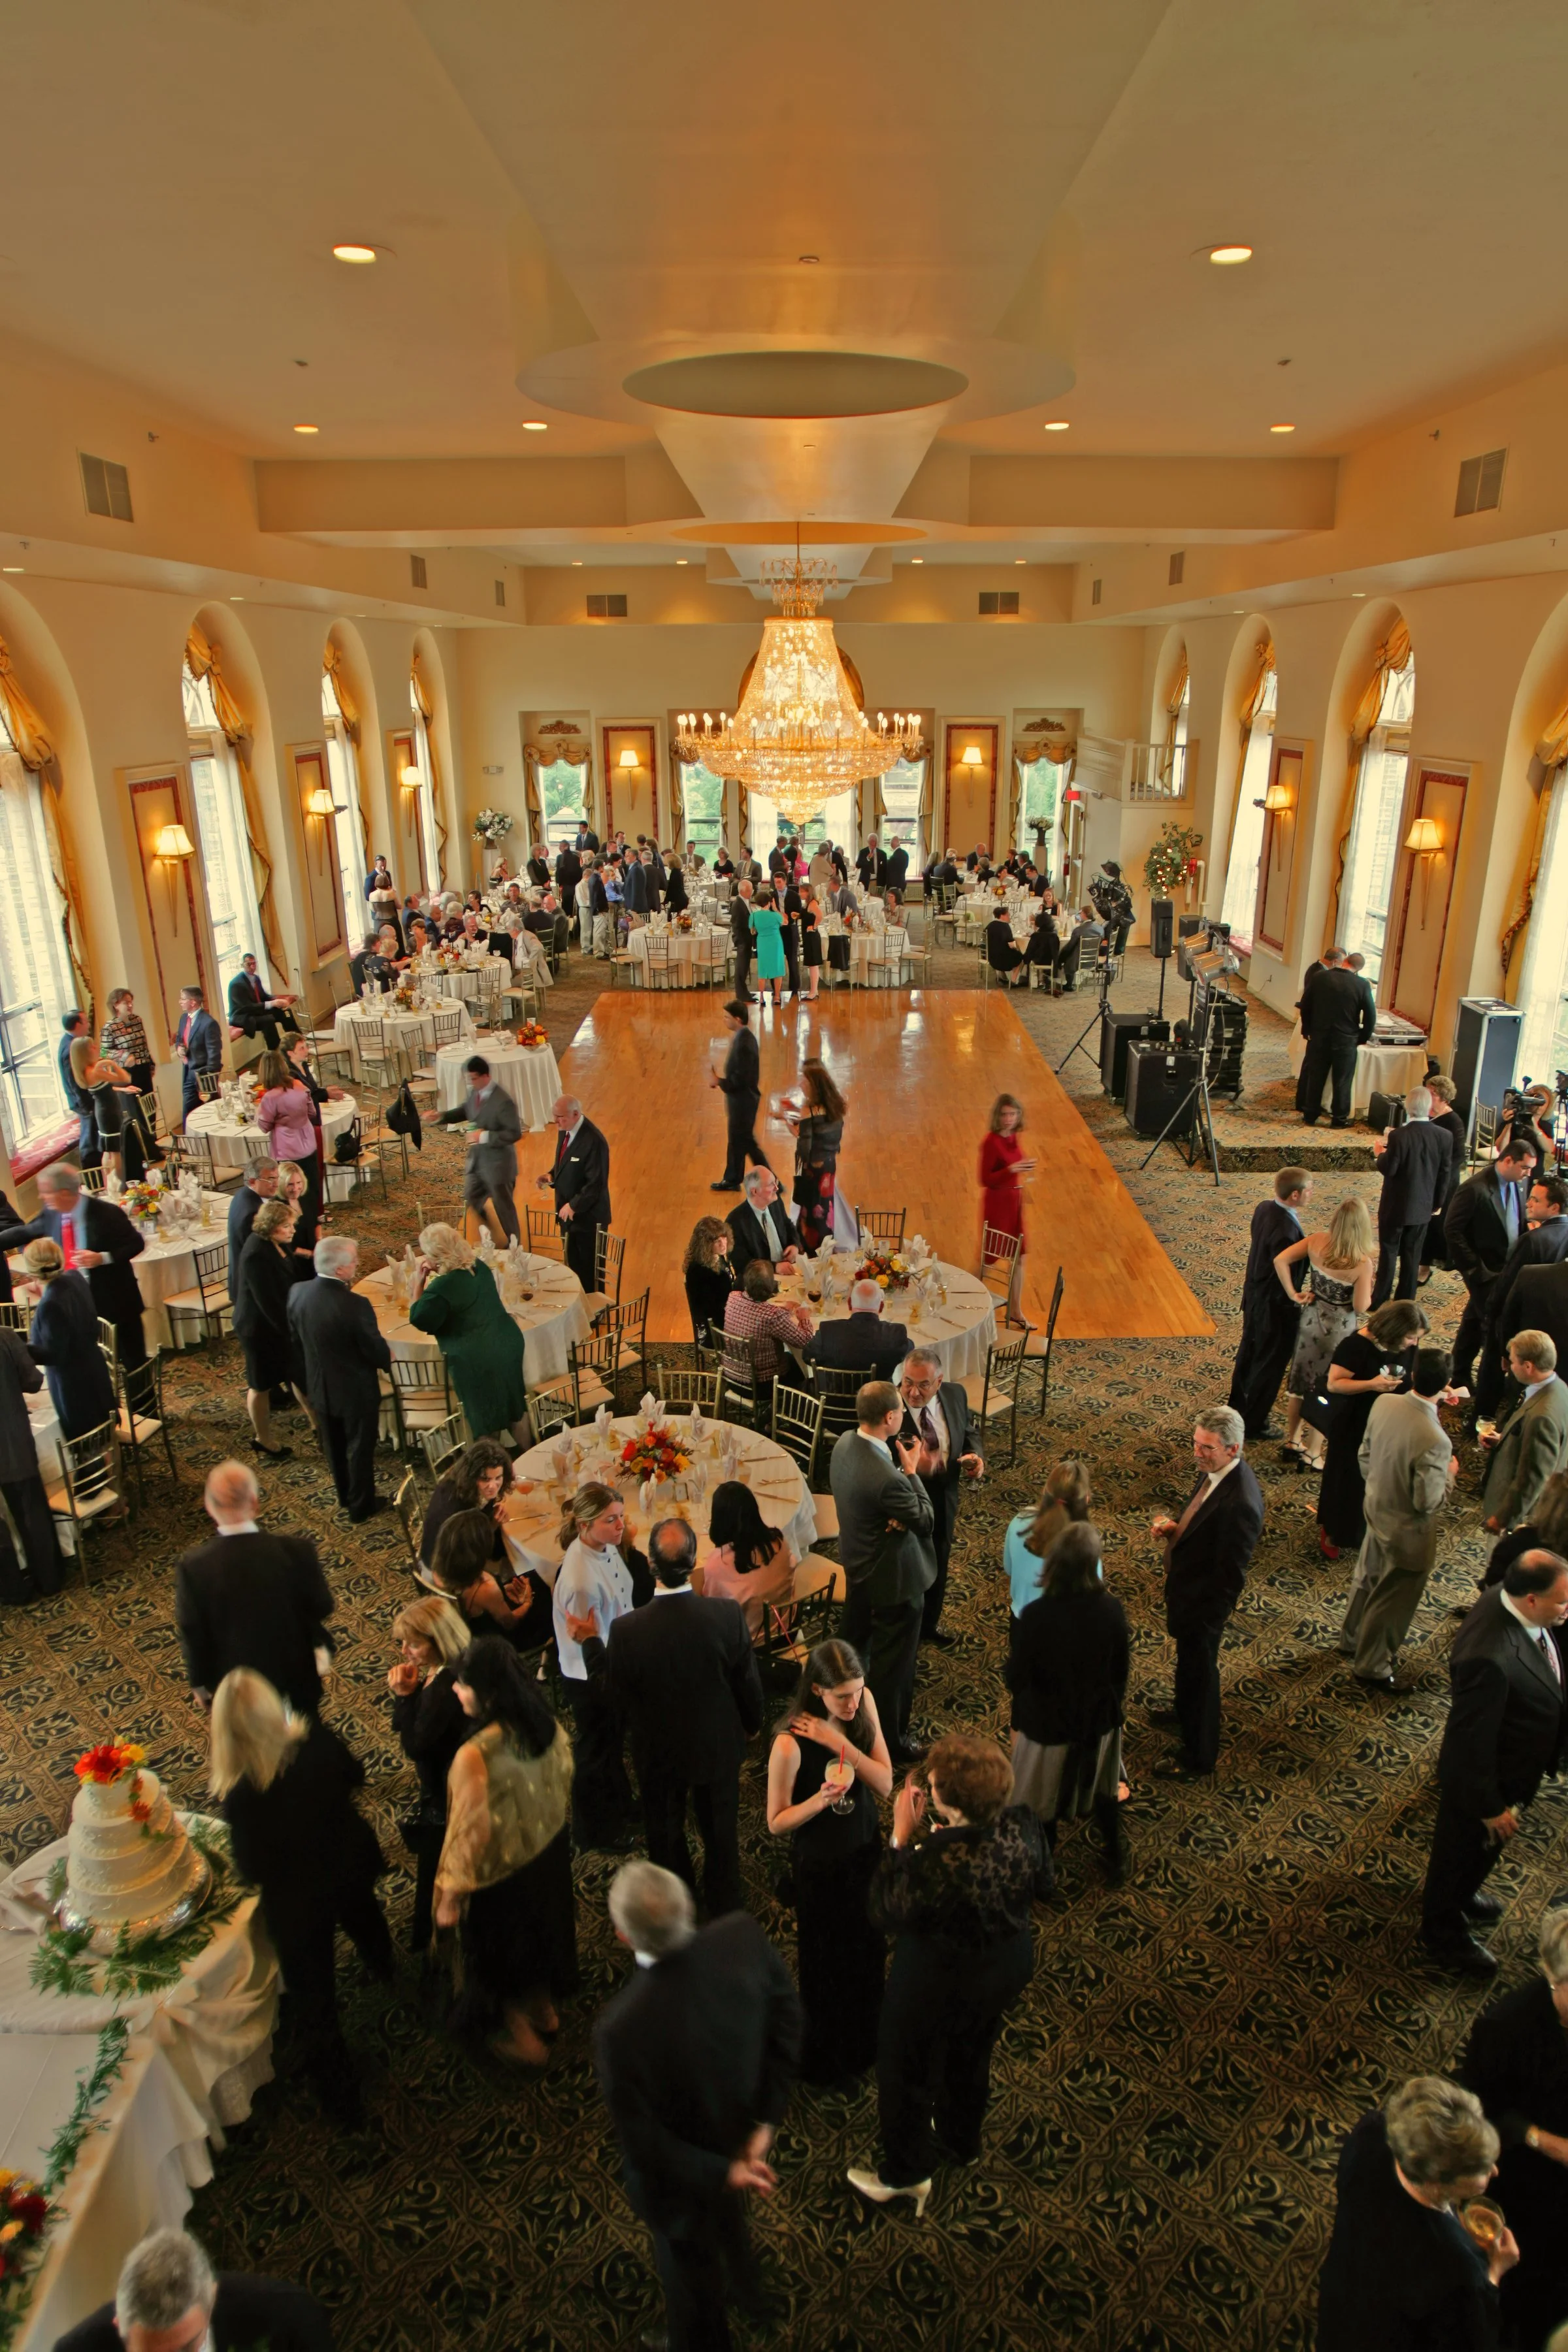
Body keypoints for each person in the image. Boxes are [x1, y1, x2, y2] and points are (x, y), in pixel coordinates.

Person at [595, 1861, 802, 2352]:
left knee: (688, 2277)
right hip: (741, 2131)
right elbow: (788, 2018)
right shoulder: (742, 1935)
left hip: (683, 2184)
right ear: (686, 1904)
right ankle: (750, 2292)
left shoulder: (619, 2030)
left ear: (624, 1937)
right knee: (731, 2223)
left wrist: (722, 2172)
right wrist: (766, 2121)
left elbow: (643, 2141)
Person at [849, 1735, 1044, 2213]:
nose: (928, 1787)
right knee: (973, 2050)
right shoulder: (1023, 1824)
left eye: (934, 1786)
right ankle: (961, 2139)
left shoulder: (937, 1862)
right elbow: (1045, 1881)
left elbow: (884, 1909)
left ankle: (906, 2173)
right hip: (1007, 1965)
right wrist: (947, 1835)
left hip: (942, 1980)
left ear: (952, 1805)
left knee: (905, 2069)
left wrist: (901, 1838)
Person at [211, 1667, 391, 2127]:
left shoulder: (243, 1794)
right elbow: (356, 1774)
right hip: (347, 1867)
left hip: (298, 1907)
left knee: (317, 2004)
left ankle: (342, 2102)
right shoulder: (315, 1745)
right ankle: (387, 1967)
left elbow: (252, 1868)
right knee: (365, 1919)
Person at [581, 1518, 762, 1919]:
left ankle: (677, 1910)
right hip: (716, 1745)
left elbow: (613, 1698)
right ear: (694, 1562)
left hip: (659, 1754)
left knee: (665, 1835)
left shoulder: (626, 1631)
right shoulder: (726, 1615)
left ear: (650, 1564)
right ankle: (725, 1909)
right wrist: (753, 1723)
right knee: (721, 1835)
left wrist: (591, 1645)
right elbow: (747, 1683)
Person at [1420, 1550, 1568, 1973]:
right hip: (1487, 1786)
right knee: (1459, 1854)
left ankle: (1463, 1896)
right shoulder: (1489, 1659)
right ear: (1532, 1600)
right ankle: (1442, 1934)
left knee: (1477, 1856)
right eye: (1562, 1601)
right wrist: (1490, 1808)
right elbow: (1468, 1745)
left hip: (1513, 1767)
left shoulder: (1508, 1595)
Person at [432, 1635, 576, 2066]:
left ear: (489, 1695)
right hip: (549, 1858)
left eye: (463, 1684)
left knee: (502, 1961)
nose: (455, 1690)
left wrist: (449, 1899)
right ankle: (545, 2014)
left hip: (503, 1877)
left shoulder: (475, 1756)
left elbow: (467, 1834)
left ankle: (527, 2044)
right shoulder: (546, 1726)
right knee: (542, 1941)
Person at [765, 1638, 890, 2085]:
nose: (853, 1703)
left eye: (857, 1690)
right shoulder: (789, 1744)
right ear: (817, 1690)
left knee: (869, 1951)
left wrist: (841, 1745)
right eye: (843, 1697)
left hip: (866, 1850)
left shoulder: (864, 1703)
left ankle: (867, 2041)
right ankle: (829, 2062)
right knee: (828, 1964)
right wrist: (819, 1801)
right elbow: (777, 1822)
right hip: (822, 1867)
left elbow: (885, 1783)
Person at [1316, 2076, 1515, 2350]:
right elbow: (1473, 2341)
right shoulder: (1458, 2266)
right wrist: (1495, 2272)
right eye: (1481, 2167)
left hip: (1342, 2293)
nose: (1494, 2171)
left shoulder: (1370, 2133)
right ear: (1438, 2181)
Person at [1460, 1903, 1568, 2351]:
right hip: (1525, 2172)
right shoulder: (1506, 2028)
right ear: (1554, 1977)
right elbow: (1478, 2114)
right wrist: (1544, 2141)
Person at [1007, 1521, 1130, 1883]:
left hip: (1048, 1728)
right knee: (1103, 1790)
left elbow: (1016, 1679)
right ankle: (1116, 1856)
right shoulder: (1111, 1609)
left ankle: (1045, 1873)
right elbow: (1121, 1672)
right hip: (1098, 1723)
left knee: (1040, 1802)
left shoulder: (1037, 1616)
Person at [1148, 1405, 1264, 1779]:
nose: (1197, 1453)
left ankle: (1198, 1756)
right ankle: (1184, 1712)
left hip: (1204, 1607)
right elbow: (1202, 1521)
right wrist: (1176, 1530)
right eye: (1195, 1443)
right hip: (1189, 1593)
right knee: (1189, 1665)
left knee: (1202, 1675)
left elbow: (1230, 1575)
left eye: (1207, 1447)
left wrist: (1209, 1621)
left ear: (1233, 1449)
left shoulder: (1240, 1504)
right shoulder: (1216, 1470)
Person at [830, 1379, 938, 1765]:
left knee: (853, 1646)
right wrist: (910, 1472)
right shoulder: (889, 1478)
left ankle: (841, 1712)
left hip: (857, 1562)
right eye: (901, 1412)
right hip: (894, 1581)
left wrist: (893, 1511)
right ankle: (892, 1741)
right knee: (894, 1668)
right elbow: (926, 1520)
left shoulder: (845, 1442)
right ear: (890, 1417)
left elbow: (872, 1498)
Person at [1338, 1346, 1457, 1688]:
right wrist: (1450, 1474)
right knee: (1393, 1600)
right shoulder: (1436, 1440)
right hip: (1407, 1531)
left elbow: (1365, 1455)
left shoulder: (1385, 1403)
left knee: (1366, 1577)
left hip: (1376, 1506)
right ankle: (1373, 1666)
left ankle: (1350, 1640)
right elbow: (1427, 1501)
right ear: (1446, 1384)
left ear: (1414, 1375)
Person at [175, 1459, 335, 1713]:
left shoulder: (194, 1568)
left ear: (209, 1507)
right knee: (306, 1732)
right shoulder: (298, 1551)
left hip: (237, 1690)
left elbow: (194, 1634)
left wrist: (200, 1685)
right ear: (255, 1503)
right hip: (296, 1674)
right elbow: (323, 1606)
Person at [54, 2226, 333, 2352]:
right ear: (119, 2327)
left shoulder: (291, 2320)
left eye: (187, 2348)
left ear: (211, 2300)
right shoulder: (76, 2351)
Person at [553, 1483, 642, 1849]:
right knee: (595, 1753)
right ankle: (595, 1831)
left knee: (611, 1745)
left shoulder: (605, 1547)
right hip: (590, 1676)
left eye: (621, 1516)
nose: (621, 1526)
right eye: (611, 1520)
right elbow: (589, 1639)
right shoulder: (582, 1582)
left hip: (612, 1661)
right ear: (584, 1525)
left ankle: (621, 1805)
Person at [0, 1158, 148, 1373]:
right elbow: (25, 1232)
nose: (41, 1197)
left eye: (46, 1192)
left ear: (64, 1193)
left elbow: (136, 1244)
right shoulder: (53, 1212)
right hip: (76, 1302)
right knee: (91, 1366)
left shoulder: (107, 1214)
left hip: (115, 1302)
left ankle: (142, 1396)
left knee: (134, 1364)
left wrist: (103, 1258)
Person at [385, 1592, 470, 1954]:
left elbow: (416, 1745)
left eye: (414, 1644)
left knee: (437, 1869)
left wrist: (405, 1697)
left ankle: (434, 1940)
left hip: (447, 1789)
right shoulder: (451, 1666)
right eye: (403, 1643)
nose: (405, 1651)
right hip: (451, 1774)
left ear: (439, 1642)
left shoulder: (443, 1692)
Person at [287, 1235, 393, 1522]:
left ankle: (345, 1495)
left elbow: (296, 1342)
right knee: (359, 1449)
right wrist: (387, 1357)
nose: (357, 1264)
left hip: (319, 1385)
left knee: (333, 1446)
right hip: (355, 1391)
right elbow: (374, 1350)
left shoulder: (297, 1292)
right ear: (340, 1270)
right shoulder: (355, 1305)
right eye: (354, 1261)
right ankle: (361, 1506)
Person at [1317, 1299, 1427, 1561]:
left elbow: (1411, 1374)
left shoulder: (1406, 1343)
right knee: (1350, 1480)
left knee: (1382, 1480)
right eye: (1411, 1337)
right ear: (1393, 1331)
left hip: (1391, 1421)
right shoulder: (1354, 1346)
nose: (1414, 1343)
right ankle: (1335, 1532)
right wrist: (1372, 1385)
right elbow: (1334, 1385)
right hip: (1355, 1423)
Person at [1274, 1196, 1376, 1464]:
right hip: (1338, 1332)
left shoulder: (1317, 1240)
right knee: (1327, 1389)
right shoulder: (1362, 1263)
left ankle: (1293, 1440)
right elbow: (1361, 1306)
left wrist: (1293, 1293)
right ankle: (1313, 1451)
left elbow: (1280, 1260)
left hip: (1310, 1321)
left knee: (1299, 1384)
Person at [408, 1220, 529, 1445]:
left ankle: (491, 1464)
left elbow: (419, 1317)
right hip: (507, 1343)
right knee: (515, 1407)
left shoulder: (442, 1287)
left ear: (437, 1255)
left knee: (485, 1418)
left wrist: (419, 1283)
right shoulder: (478, 1266)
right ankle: (529, 1454)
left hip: (478, 1358)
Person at [896, 1345, 983, 1650]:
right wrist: (909, 1470)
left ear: (939, 1382)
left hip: (945, 1495)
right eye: (908, 1382)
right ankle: (903, 1630)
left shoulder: (956, 1394)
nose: (913, 1392)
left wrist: (975, 1456)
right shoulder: (889, 1407)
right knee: (906, 1564)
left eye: (923, 1385)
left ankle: (929, 1624)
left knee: (939, 1559)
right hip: (904, 1501)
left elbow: (969, 1431)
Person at [1447, 1136, 1541, 1399]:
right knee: (1492, 1327)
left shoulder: (1518, 1183)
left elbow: (1517, 1221)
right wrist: (1475, 1270)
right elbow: (1452, 1230)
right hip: (1485, 1272)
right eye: (1525, 1168)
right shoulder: (1475, 1188)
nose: (1528, 1174)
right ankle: (1488, 1389)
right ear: (1508, 1160)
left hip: (1506, 1268)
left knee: (1474, 1320)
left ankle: (1459, 1372)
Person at [1228, 1168, 1313, 1439]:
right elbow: (1283, 1268)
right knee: (1269, 1364)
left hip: (1255, 1296)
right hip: (1274, 1306)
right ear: (1295, 1194)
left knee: (1249, 1354)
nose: (1312, 1194)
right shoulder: (1286, 1231)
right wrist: (1294, 1294)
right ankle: (1254, 1423)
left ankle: (1237, 1408)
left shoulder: (1265, 1207)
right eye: (1310, 1189)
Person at [1475, 1173, 1568, 1422]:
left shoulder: (1532, 1240)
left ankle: (1483, 1418)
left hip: (1521, 1321)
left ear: (1554, 1207)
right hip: (1554, 1325)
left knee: (1493, 1372)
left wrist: (1491, 1318)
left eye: (1536, 1200)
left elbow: (1507, 1286)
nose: (1528, 1203)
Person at [232, 1196, 309, 1458]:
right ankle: (263, 1438)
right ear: (271, 1227)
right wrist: (294, 1332)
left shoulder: (278, 1243)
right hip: (258, 1330)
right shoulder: (256, 1254)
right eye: (287, 1226)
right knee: (260, 1384)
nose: (293, 1230)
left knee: (296, 1372)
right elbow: (268, 1303)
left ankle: (317, 1424)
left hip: (277, 1323)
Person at [20, 1237, 114, 1441]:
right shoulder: (75, 1277)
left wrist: (18, 1348)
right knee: (103, 1425)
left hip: (73, 1382)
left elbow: (53, 1354)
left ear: (32, 1271)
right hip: (94, 1365)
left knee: (86, 1437)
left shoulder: (50, 1305)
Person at [1480, 1330, 1568, 1533]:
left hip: (1520, 1515)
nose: (1509, 1367)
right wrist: (1504, 1439)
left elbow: (1533, 1478)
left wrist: (1503, 1519)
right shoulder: (1559, 1387)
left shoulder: (1542, 1417)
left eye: (1512, 1362)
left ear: (1528, 1366)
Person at [1373, 1087, 1454, 1304]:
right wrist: (1437, 1203)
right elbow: (1445, 1173)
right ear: (1429, 1107)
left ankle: (1380, 1298)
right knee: (1413, 1254)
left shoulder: (1398, 1135)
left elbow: (1389, 1168)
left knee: (1389, 1252)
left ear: (1408, 1107)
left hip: (1394, 1206)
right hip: (1423, 1205)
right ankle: (1405, 1300)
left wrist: (1380, 1154)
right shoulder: (1444, 1136)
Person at [0, 1320, 62, 1601]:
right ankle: (48, 1579)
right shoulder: (4, 1337)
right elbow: (34, 1382)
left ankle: (12, 1590)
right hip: (11, 1442)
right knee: (31, 1512)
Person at [697, 1478, 797, 1635]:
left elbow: (714, 1610)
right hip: (787, 1625)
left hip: (751, 1642)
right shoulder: (779, 1542)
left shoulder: (719, 1563)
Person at [537, 1092, 611, 1292]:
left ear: (576, 1114)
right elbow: (565, 1162)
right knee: (573, 1269)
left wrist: (573, 1206)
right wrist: (551, 1175)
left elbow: (596, 1184)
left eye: (560, 1117)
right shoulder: (565, 1129)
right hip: (568, 1219)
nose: (555, 1121)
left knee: (591, 1274)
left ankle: (595, 1308)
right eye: (554, 1116)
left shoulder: (594, 1141)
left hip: (588, 1222)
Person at [1297, 946, 1377, 1128]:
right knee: (1342, 1080)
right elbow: (1370, 1016)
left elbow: (1305, 1005)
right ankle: (1339, 1119)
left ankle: (1310, 1115)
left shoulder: (1320, 977)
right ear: (1358, 969)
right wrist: (1362, 1037)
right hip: (1346, 1039)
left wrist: (1307, 1030)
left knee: (1316, 1076)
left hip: (1319, 1035)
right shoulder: (1362, 985)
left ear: (1345, 961)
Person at [1004, 1460, 1092, 1618]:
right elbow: (1093, 1593)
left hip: (1023, 1620)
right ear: (1086, 1500)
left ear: (1045, 1491)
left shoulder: (1019, 1522)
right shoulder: (1086, 1543)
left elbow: (1008, 1568)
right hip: (1067, 1627)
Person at [458, 1053, 523, 1245]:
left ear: (486, 1076)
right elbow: (466, 1109)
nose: (471, 1083)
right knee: (471, 1197)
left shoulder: (504, 1101)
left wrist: (484, 1136)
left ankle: (515, 1245)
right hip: (478, 1162)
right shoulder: (475, 1093)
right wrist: (442, 1116)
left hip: (499, 1165)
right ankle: (490, 1229)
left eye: (474, 1078)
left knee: (504, 1208)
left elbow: (514, 1133)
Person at [724, 1257, 813, 1387]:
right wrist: (805, 1318)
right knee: (800, 1367)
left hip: (732, 1376)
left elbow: (755, 1311)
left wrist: (781, 1308)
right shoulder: (773, 1316)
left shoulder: (733, 1297)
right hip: (763, 1384)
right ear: (771, 1286)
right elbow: (806, 1342)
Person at [785, 1058, 843, 1252]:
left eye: (804, 1079)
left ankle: (810, 1252)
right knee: (825, 1209)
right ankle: (826, 1248)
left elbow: (804, 1148)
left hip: (812, 1173)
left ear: (814, 1084)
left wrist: (789, 1123)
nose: (800, 1083)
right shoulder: (834, 1105)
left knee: (809, 1213)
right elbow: (819, 1132)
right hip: (828, 1167)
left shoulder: (808, 1111)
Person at [711, 998, 766, 1193]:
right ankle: (733, 1178)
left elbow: (739, 1081)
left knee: (745, 1142)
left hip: (744, 1102)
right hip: (741, 1101)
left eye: (727, 1017)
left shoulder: (744, 1044)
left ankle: (769, 1180)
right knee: (739, 1142)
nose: (724, 1020)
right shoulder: (743, 1038)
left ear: (738, 1019)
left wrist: (719, 1081)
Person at [806, 1276, 909, 1380]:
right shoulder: (895, 1334)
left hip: (834, 1389)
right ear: (881, 1306)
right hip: (879, 1390)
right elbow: (909, 1351)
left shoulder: (827, 1331)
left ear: (850, 1304)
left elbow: (807, 1356)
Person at [979, 1094, 1032, 1284]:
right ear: (997, 1116)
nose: (1009, 1119)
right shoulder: (991, 1142)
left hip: (1014, 1203)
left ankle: (1015, 1303)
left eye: (1013, 1114)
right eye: (1004, 1114)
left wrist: (1023, 1165)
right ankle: (974, 1291)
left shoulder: (1013, 1136)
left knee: (1019, 1256)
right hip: (999, 1205)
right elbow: (984, 1179)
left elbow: (1013, 1159)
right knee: (990, 1257)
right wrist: (1010, 1169)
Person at [1420, 1072, 1468, 1276]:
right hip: (1429, 1177)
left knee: (1435, 1224)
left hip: (1444, 1181)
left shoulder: (1453, 1121)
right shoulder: (1429, 1115)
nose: (1426, 1095)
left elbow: (1458, 1156)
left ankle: (1426, 1266)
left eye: (1430, 1093)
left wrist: (1437, 1171)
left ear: (1442, 1097)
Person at [227, 1157, 280, 1303]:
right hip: (251, 1288)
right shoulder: (253, 1213)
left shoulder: (242, 1194)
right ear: (252, 1181)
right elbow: (259, 1253)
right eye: (270, 1179)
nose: (276, 1184)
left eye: (277, 1178)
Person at [726, 1165, 800, 1270]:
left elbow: (788, 1225)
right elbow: (741, 1262)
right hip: (761, 1277)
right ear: (755, 1191)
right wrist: (774, 1267)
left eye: (776, 1182)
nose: (777, 1188)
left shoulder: (776, 1203)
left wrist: (795, 1245)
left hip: (788, 1268)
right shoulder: (735, 1221)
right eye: (771, 1185)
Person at [683, 1214, 737, 1347]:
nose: (723, 1244)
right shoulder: (699, 1271)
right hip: (713, 1330)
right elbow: (712, 1310)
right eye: (717, 1241)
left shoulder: (718, 1257)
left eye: (724, 1238)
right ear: (706, 1244)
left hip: (725, 1315)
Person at [227, 951, 299, 1049]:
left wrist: (279, 1002)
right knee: (268, 1020)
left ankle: (296, 1040)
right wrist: (272, 1003)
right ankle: (275, 1050)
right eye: (249, 964)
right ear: (242, 965)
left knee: (285, 1012)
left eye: (254, 963)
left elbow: (264, 997)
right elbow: (247, 1007)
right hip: (243, 1016)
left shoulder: (256, 979)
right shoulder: (236, 984)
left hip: (256, 1010)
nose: (252, 967)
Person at [173, 984, 223, 1123]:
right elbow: (179, 1039)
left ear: (193, 1002)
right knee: (188, 1112)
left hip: (203, 1074)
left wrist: (209, 1079)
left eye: (183, 999)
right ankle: (190, 1137)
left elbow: (214, 1054)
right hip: (187, 1071)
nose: (180, 1002)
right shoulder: (184, 1018)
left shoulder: (209, 1023)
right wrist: (179, 1048)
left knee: (210, 1110)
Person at [749, 886, 787, 1008]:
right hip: (776, 942)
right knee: (777, 969)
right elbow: (785, 921)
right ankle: (777, 997)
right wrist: (775, 909)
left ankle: (761, 997)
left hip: (762, 943)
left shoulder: (754, 916)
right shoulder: (775, 916)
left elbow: (752, 931)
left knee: (762, 970)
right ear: (769, 902)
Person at [985, 909, 1027, 985]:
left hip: (991, 957)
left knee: (1008, 952)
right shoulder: (1005, 926)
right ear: (1002, 916)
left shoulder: (990, 925)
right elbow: (1011, 944)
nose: (1009, 917)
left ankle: (1003, 977)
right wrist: (1017, 949)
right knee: (1021, 956)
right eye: (1008, 915)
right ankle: (1014, 980)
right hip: (1002, 960)